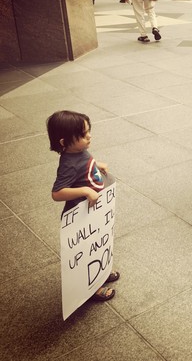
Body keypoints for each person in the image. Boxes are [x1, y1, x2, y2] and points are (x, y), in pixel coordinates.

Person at [47, 110, 120, 302]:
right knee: (87, 251)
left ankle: (102, 271)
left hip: (93, 212)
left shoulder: (78, 151)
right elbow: (57, 193)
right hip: (81, 217)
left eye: (88, 131)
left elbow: (85, 162)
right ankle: (93, 287)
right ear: (64, 143)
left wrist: (96, 164)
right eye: (82, 134)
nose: (89, 136)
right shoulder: (67, 164)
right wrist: (84, 191)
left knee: (98, 244)